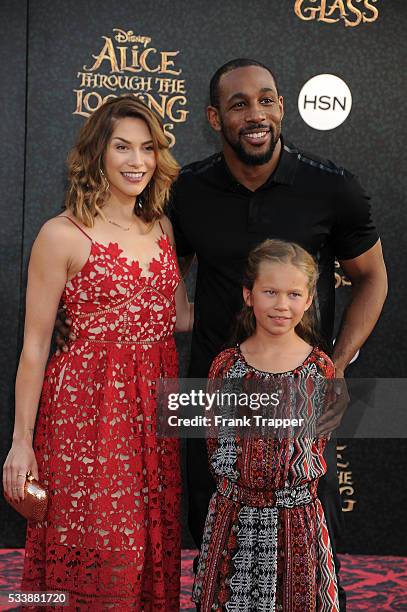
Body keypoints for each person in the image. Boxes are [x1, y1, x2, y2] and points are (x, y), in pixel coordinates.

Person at [169, 59, 387, 611]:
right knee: (217, 536)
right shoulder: (187, 190)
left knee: (307, 548)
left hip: (301, 395)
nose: (256, 114)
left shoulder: (332, 187)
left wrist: (334, 370)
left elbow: (373, 278)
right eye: (239, 104)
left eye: (266, 100)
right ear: (215, 119)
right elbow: (161, 272)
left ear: (282, 108)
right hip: (215, 393)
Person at [2, 94, 193, 610]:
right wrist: (22, 443)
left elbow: (180, 318)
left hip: (153, 410)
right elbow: (34, 348)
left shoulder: (163, 229)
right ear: (97, 154)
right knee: (96, 545)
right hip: (86, 413)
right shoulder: (61, 234)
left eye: (148, 148)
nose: (137, 161)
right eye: (123, 147)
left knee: (148, 543)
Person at [192, 238, 340, 611]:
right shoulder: (227, 367)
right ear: (248, 294)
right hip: (233, 522)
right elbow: (215, 442)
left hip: (296, 524)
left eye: (293, 294)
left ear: (308, 300)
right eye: (270, 292)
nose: (281, 305)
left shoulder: (319, 370)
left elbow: (316, 445)